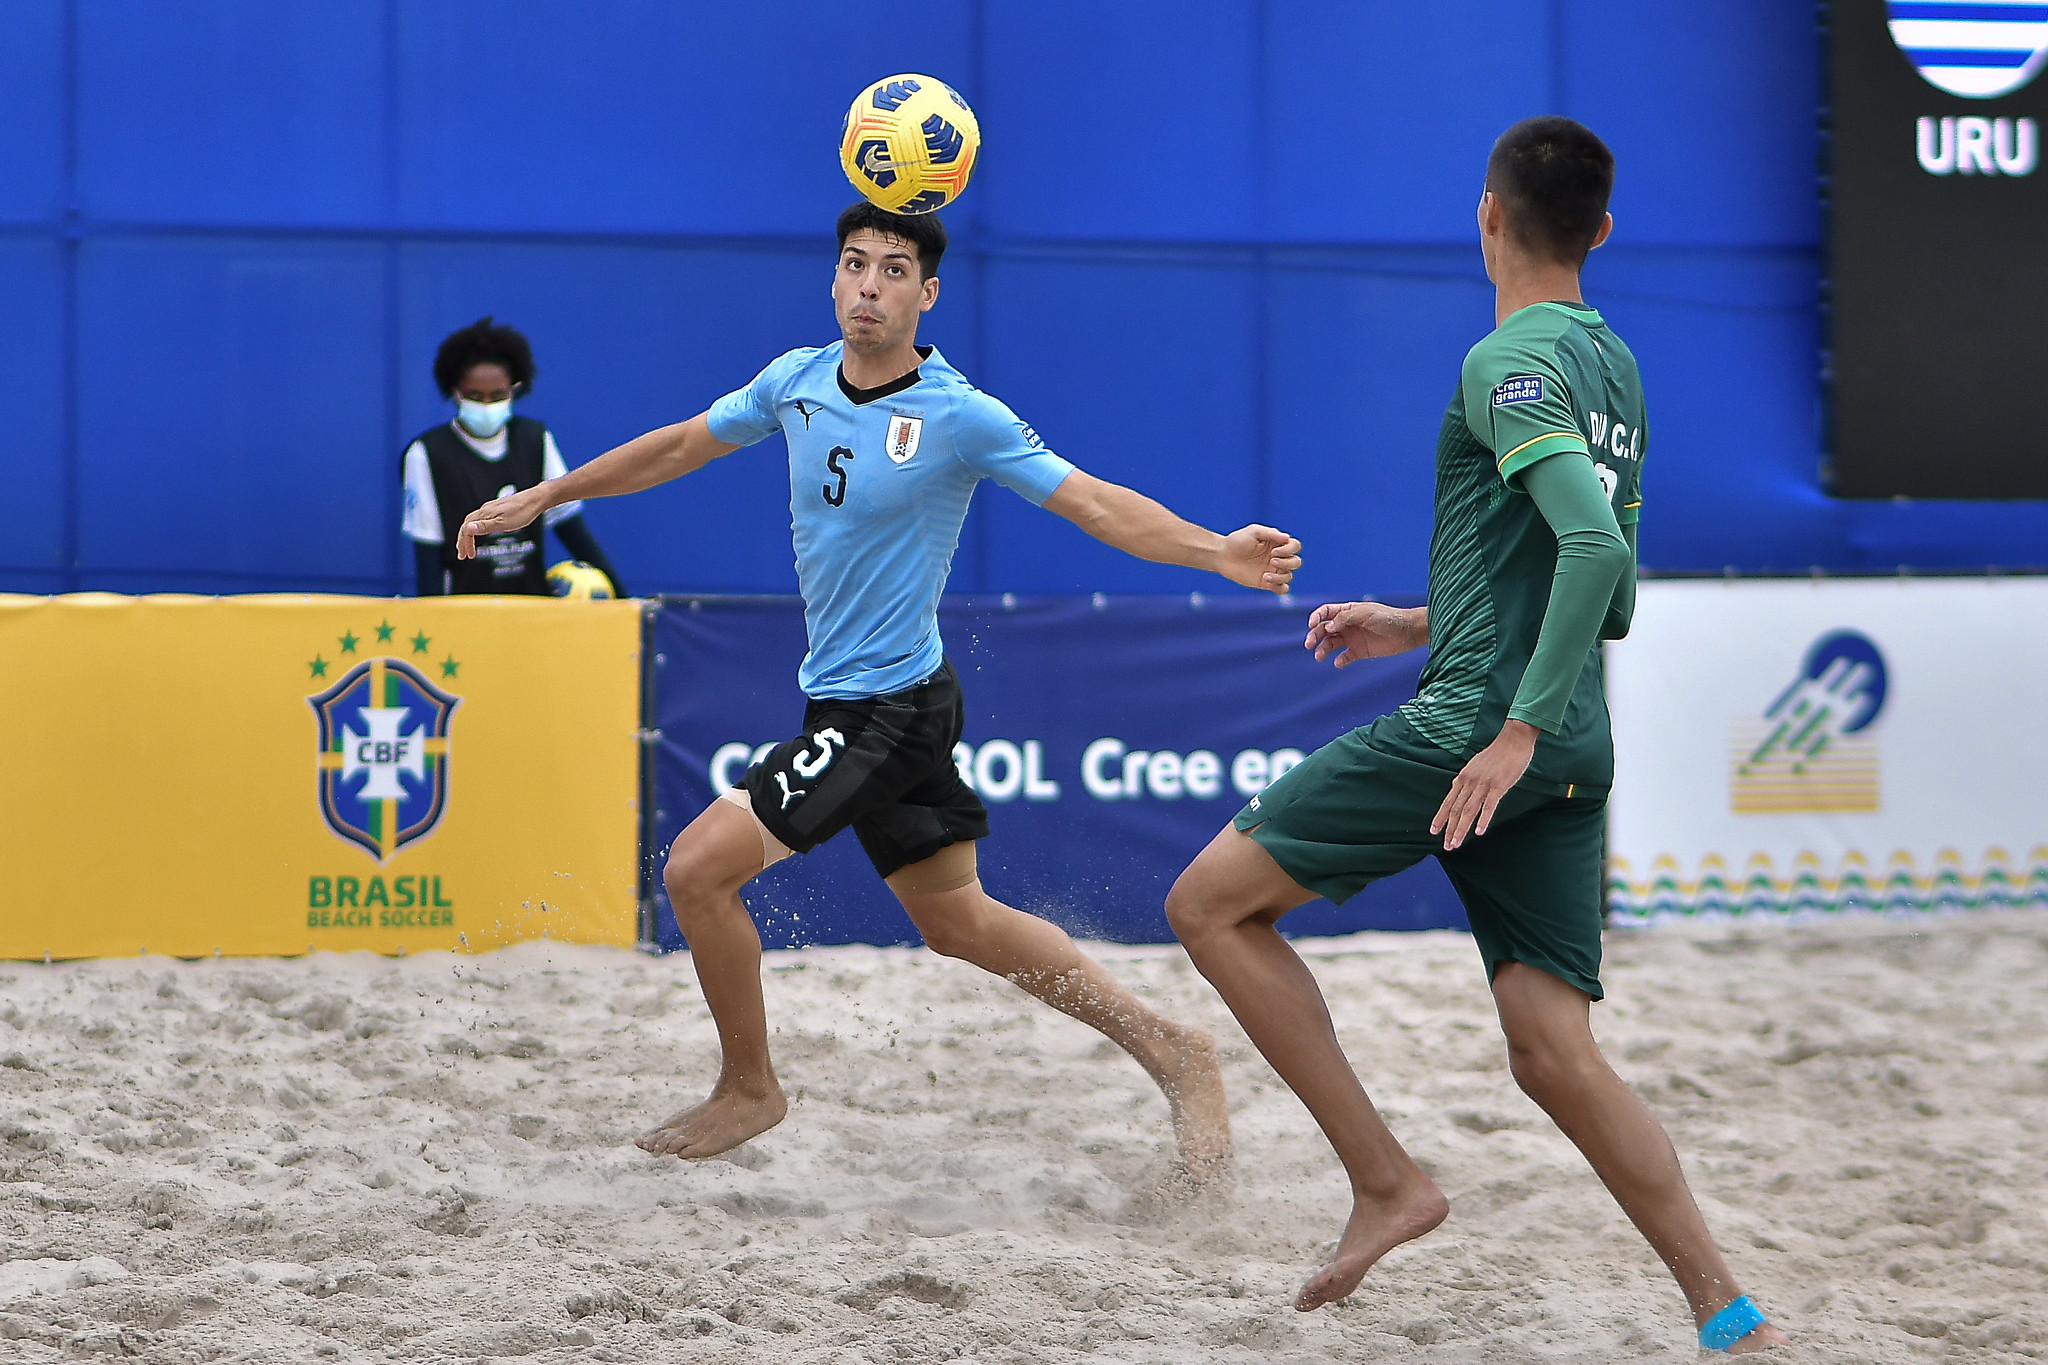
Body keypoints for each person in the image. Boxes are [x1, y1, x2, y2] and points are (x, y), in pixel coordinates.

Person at [455, 201, 1303, 1177]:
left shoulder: (958, 415)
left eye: (893, 270)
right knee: (958, 924)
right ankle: (1174, 1049)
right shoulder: (794, 380)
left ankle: (748, 1086)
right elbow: (678, 445)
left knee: (696, 870)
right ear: (832, 280)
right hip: (864, 697)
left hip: (888, 710)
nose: (868, 284)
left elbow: (1091, 501)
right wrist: (548, 494)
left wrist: (1215, 551)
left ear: (926, 293)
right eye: (854, 264)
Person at [1162, 118, 1787, 1353]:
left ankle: (1386, 1182)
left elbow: (1594, 552)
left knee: (1208, 907)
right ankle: (1727, 1310)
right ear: (1601, 232)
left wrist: (1504, 726)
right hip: (1567, 742)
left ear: (1485, 214)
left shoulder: (1502, 362)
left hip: (1486, 736)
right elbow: (1590, 581)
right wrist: (1416, 623)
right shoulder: (1613, 368)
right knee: (1555, 1053)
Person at [404, 317, 625, 596]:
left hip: (528, 609)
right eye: (474, 395)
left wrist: (623, 601)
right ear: (455, 392)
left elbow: (572, 528)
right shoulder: (427, 452)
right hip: (464, 611)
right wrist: (432, 625)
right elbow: (428, 555)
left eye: (497, 395)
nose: (486, 405)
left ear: (514, 390)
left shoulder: (535, 439)